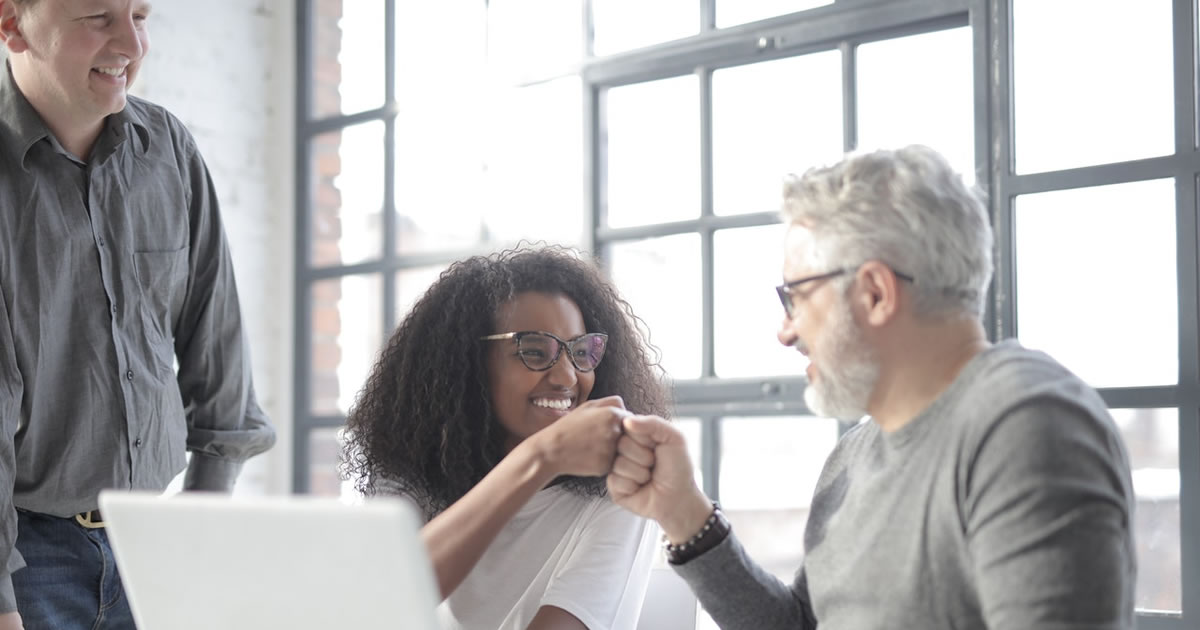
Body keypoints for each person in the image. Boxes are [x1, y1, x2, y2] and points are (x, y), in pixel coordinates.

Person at [607, 145, 1136, 629]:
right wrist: (683, 513)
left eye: (795, 296)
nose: (785, 329)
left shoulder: (1025, 426)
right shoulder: (853, 457)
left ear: (877, 293)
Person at [0, 0, 276, 628]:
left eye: (142, 15)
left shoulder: (169, 151)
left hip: (156, 542)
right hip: (25, 557)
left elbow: (218, 341)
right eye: (99, 17)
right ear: (13, 24)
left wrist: (200, 523)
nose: (131, 43)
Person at [341, 246, 669, 630]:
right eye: (534, 351)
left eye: (582, 352)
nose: (566, 377)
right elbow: (381, 602)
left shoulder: (624, 485)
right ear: (466, 364)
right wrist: (539, 458)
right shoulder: (410, 471)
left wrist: (543, 457)